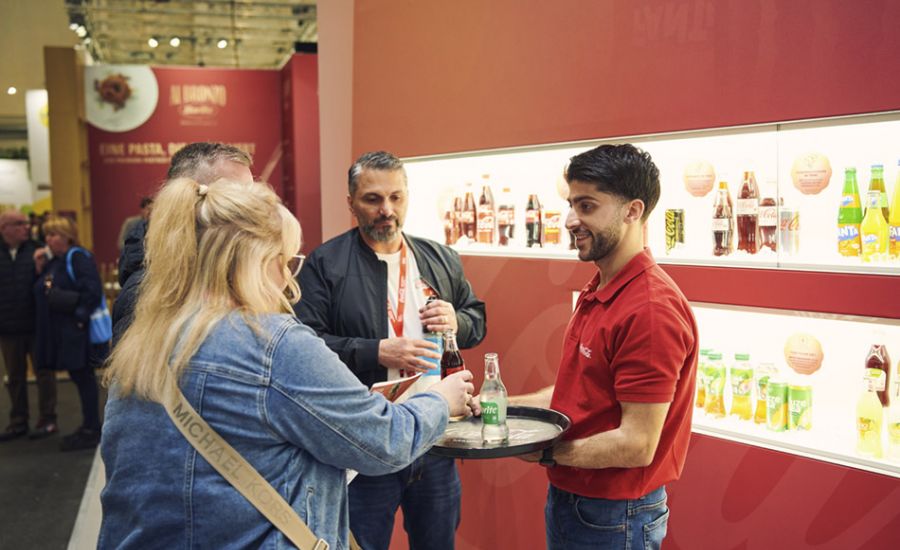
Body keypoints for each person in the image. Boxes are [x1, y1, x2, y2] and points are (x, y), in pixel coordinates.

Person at [98, 177, 477, 548]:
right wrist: (440, 400)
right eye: (285, 261)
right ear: (256, 261)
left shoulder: (145, 341)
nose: (287, 281)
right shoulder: (273, 343)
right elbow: (386, 441)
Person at [296, 151, 487, 550]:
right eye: (373, 199)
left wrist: (457, 321)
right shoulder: (325, 264)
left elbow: (476, 320)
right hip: (366, 438)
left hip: (435, 436)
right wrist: (376, 351)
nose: (387, 210)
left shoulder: (440, 258)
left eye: (396, 197)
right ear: (351, 203)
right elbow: (304, 344)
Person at [510, 144, 698, 550]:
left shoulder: (650, 310)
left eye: (587, 206)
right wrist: (500, 410)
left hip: (615, 516)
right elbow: (577, 393)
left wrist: (544, 452)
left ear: (632, 211)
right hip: (579, 502)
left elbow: (637, 444)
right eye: (571, 204)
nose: (571, 220)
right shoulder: (602, 288)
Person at [113, 142, 253, 340]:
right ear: (186, 196)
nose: (252, 209)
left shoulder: (235, 269)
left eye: (251, 196)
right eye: (234, 197)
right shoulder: (146, 293)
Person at [33, 216, 106, 451]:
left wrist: (79, 317)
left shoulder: (77, 257)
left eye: (53, 234)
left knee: (84, 379)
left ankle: (92, 428)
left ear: (67, 236)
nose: (48, 239)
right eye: (47, 235)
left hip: (77, 333)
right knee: (80, 378)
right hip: (67, 332)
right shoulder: (56, 261)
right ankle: (89, 426)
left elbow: (93, 292)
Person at [0, 210, 58, 441]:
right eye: (19, 224)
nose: (26, 227)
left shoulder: (38, 250)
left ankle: (48, 419)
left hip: (36, 326)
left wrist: (42, 269)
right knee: (15, 377)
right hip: (8, 328)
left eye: (26, 223)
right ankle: (18, 421)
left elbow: (51, 281)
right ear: (4, 228)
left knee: (45, 373)